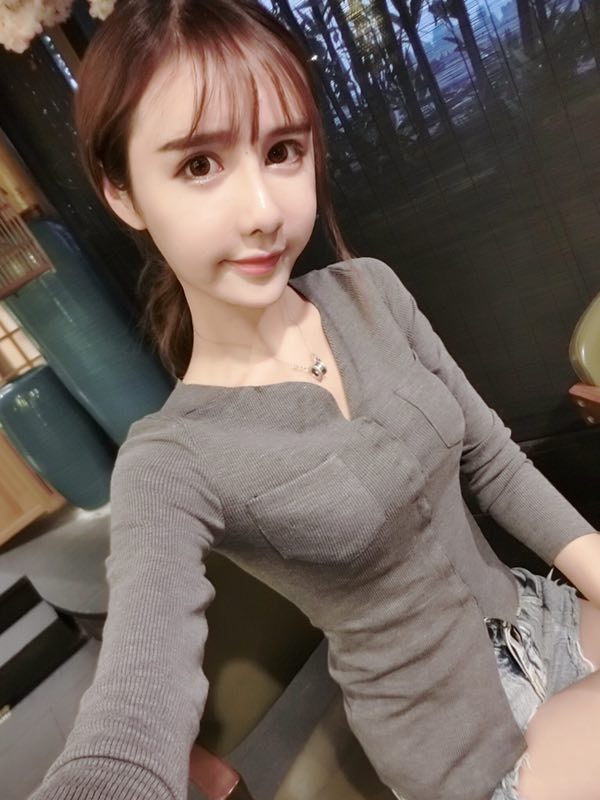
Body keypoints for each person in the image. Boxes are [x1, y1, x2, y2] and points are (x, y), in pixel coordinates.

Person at [29, 2, 600, 799]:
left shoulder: (371, 292)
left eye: (283, 151)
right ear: (121, 190)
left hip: (543, 616)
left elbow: (493, 463)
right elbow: (135, 707)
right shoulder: (171, 460)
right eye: (199, 164)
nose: (264, 211)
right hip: (463, 750)